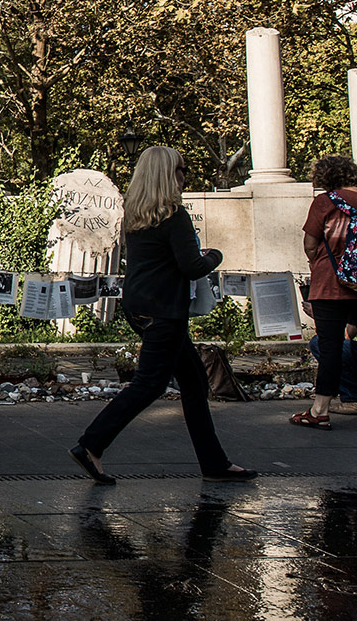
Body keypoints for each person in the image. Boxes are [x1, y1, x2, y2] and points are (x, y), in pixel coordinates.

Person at [70, 146, 256, 484]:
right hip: (165, 310)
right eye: (182, 169)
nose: (185, 176)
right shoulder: (173, 215)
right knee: (149, 384)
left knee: (195, 381)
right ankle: (91, 444)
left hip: (140, 305)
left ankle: (214, 463)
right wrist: (215, 255)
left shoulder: (137, 214)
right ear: (170, 175)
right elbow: (192, 266)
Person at [292, 155, 357, 428]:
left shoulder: (325, 202)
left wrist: (319, 263)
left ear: (325, 178)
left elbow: (311, 243)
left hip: (331, 285)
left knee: (330, 348)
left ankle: (319, 411)